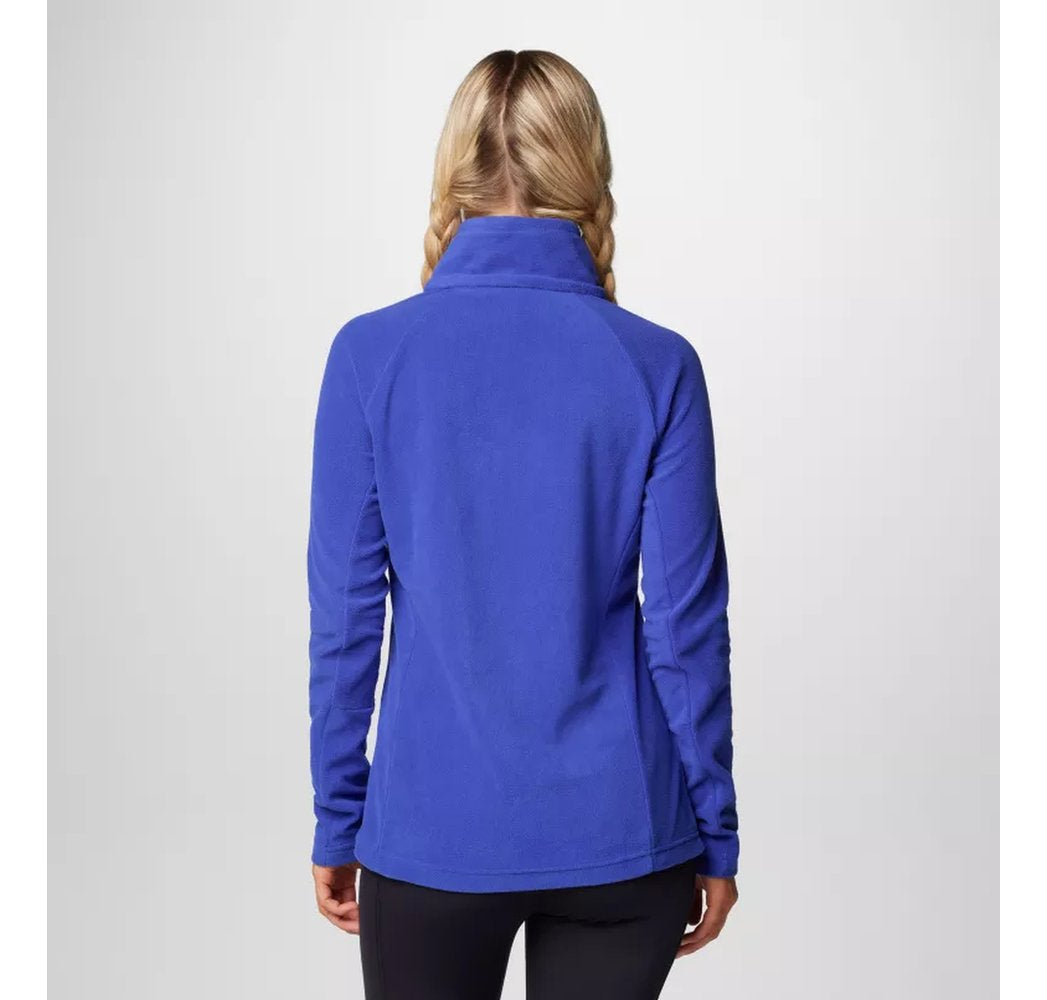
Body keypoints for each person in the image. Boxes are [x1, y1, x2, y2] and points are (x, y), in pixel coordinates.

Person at [307, 49, 740, 1000]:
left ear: (451, 170)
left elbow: (345, 622)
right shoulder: (656, 363)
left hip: (432, 834)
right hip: (622, 832)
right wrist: (715, 829)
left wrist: (339, 817)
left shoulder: (371, 356)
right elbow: (685, 629)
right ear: (588, 167)